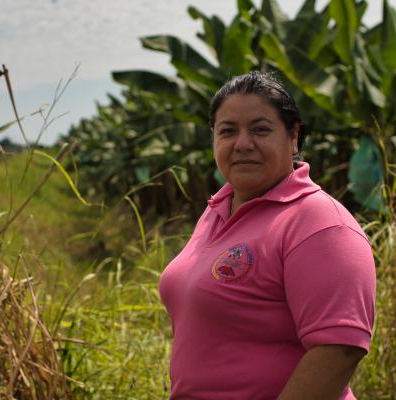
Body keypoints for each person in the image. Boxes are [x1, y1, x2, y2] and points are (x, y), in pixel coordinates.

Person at [158, 71, 376, 399]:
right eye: (227, 131)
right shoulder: (218, 209)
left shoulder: (318, 222)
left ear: (294, 138)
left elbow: (338, 350)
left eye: (261, 129)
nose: (243, 144)